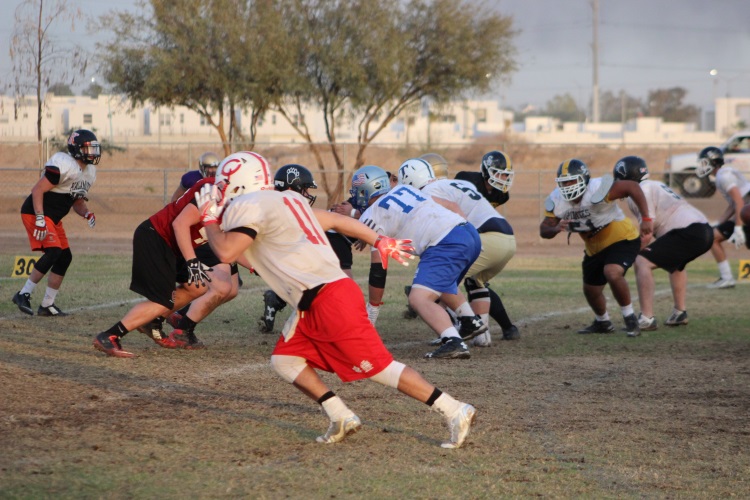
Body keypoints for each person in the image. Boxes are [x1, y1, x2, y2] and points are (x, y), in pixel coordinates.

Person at [197, 151, 477, 448]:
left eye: (224, 182)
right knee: (285, 360)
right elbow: (336, 221)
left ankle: (454, 409)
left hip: (327, 297)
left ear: (238, 182)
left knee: (381, 368)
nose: (220, 188)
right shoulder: (285, 200)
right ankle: (339, 415)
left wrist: (209, 219)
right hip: (317, 296)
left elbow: (226, 251)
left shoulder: (251, 204)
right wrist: (379, 240)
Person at [92, 175, 236, 357]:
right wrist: (192, 261)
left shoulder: (231, 203)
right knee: (162, 300)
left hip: (173, 246)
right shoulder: (211, 190)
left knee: (197, 286)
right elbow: (180, 224)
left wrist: (257, 267)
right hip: (157, 238)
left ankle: (152, 321)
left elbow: (234, 246)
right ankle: (110, 335)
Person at [353, 164, 487, 359]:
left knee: (419, 298)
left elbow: (378, 270)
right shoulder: (404, 189)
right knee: (438, 282)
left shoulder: (372, 215)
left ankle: (453, 341)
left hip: (445, 242)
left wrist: (373, 309)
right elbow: (447, 205)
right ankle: (469, 320)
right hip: (468, 232)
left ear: (366, 191)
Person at [400, 157, 516, 348]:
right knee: (475, 281)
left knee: (438, 280)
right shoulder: (456, 183)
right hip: (507, 238)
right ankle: (482, 335)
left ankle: (455, 329)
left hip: (486, 236)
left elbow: (451, 214)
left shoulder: (428, 193)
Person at [539, 158, 653, 337]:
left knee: (612, 272)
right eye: (564, 182)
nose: (568, 186)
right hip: (593, 246)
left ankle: (630, 319)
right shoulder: (555, 199)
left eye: (572, 181)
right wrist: (554, 228)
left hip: (621, 237)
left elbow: (631, 186)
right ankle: (603, 322)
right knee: (591, 290)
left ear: (584, 179)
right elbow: (543, 229)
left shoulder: (598, 187)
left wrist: (646, 218)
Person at [613, 156, 714, 329]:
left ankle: (646, 318)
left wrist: (632, 256)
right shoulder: (653, 184)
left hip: (689, 231)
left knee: (642, 261)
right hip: (703, 229)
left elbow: (647, 230)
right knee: (675, 264)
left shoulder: (640, 191)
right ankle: (679, 312)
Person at [12, 129, 100, 317]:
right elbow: (37, 190)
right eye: (88, 149)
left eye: (94, 149)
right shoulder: (63, 164)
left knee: (64, 257)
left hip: (53, 218)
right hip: (37, 212)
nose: (93, 153)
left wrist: (87, 214)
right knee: (54, 252)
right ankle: (23, 294)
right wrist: (40, 218)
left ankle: (47, 305)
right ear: (76, 149)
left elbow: (77, 201)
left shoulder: (89, 172)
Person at [445, 150, 520, 341]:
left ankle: (459, 328)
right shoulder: (467, 180)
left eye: (506, 175)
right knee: (476, 281)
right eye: (499, 173)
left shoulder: (501, 195)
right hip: (475, 232)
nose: (503, 178)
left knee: (445, 279)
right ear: (486, 171)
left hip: (483, 235)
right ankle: (490, 332)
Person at [258, 164, 323, 333]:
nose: (308, 195)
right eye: (304, 189)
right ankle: (299, 325)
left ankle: (276, 300)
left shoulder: (284, 207)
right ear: (291, 188)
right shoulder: (277, 210)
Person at [696, 146, 750, 288]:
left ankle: (727, 278)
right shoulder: (724, 174)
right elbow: (734, 204)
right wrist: (720, 222)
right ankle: (726, 278)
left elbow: (739, 202)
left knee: (713, 238)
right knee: (713, 236)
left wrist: (738, 227)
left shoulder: (723, 177)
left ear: (713, 161)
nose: (702, 166)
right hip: (746, 212)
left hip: (747, 213)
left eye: (704, 162)